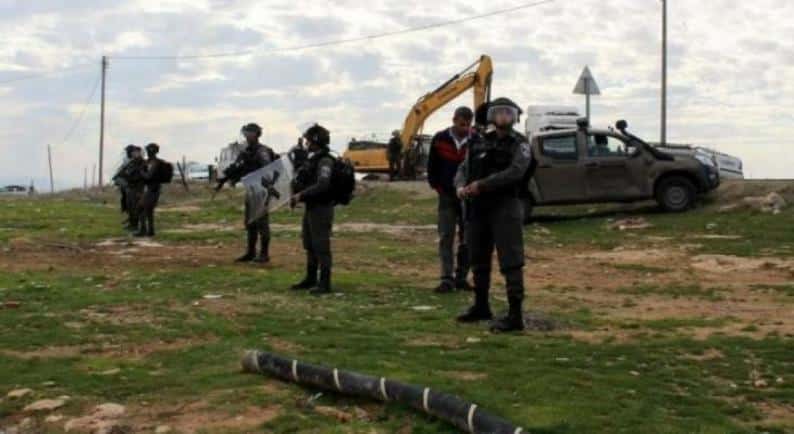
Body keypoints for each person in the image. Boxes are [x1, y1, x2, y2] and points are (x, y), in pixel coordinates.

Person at [455, 98, 532, 333]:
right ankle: (481, 306)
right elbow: (463, 168)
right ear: (491, 116)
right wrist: (460, 186)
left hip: (505, 206)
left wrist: (483, 184)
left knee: (511, 260)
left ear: (515, 117)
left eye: (508, 113)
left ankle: (515, 315)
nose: (503, 117)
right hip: (478, 208)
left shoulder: (520, 143)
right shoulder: (480, 142)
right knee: (478, 257)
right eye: (498, 112)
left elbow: (516, 171)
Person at [427, 106, 475, 293]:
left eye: (468, 124)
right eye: (462, 124)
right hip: (446, 195)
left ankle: (461, 277)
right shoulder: (440, 139)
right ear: (454, 120)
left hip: (468, 196)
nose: (465, 128)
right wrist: (439, 188)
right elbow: (432, 167)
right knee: (446, 236)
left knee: (468, 238)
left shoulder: (476, 140)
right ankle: (446, 278)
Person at [216, 123, 278, 263]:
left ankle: (264, 254)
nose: (245, 136)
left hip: (262, 191)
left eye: (248, 133)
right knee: (250, 223)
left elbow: (267, 170)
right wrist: (223, 180)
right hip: (251, 190)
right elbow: (236, 168)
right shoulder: (246, 152)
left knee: (262, 223)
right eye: (245, 133)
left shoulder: (262, 151)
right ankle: (250, 252)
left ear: (255, 134)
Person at [291, 124, 336, 295]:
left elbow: (323, 184)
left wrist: (301, 195)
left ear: (316, 141)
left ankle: (325, 283)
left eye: (308, 140)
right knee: (309, 244)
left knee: (321, 246)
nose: (306, 143)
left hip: (321, 208)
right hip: (311, 207)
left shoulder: (325, 161)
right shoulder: (313, 159)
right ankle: (311, 278)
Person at [136, 143, 163, 237]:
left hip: (154, 189)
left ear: (153, 151)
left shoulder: (156, 163)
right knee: (148, 210)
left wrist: (141, 171)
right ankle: (150, 231)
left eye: (148, 151)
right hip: (149, 189)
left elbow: (148, 176)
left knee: (141, 207)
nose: (147, 153)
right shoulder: (149, 162)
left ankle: (144, 230)